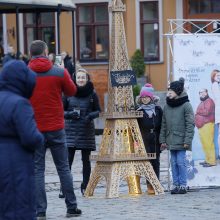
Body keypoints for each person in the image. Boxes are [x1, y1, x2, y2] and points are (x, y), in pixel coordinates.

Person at [28, 40, 82, 219]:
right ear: (45, 51)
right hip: (56, 127)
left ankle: (40, 210)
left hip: (34, 127)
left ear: (31, 54)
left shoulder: (25, 73)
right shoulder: (59, 72)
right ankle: (71, 207)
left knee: (37, 170)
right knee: (63, 168)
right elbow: (72, 91)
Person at [0, 60, 44, 219]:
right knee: (19, 207)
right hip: (16, 163)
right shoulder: (20, 103)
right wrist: (40, 138)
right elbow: (31, 137)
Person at [62, 63, 101, 196]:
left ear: (87, 78)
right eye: (78, 77)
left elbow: (98, 111)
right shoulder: (68, 93)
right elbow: (61, 111)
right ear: (74, 78)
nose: (81, 80)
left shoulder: (92, 94)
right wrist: (69, 114)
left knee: (86, 162)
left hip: (86, 131)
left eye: (83, 77)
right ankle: (65, 188)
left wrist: (89, 116)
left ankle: (86, 186)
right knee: (68, 162)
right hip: (71, 131)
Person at [160, 79, 195, 194]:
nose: (168, 93)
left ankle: (183, 185)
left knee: (181, 162)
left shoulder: (186, 105)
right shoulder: (167, 106)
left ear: (178, 92)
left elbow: (190, 124)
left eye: (171, 91)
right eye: (168, 90)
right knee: (173, 163)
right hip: (171, 140)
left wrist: (187, 141)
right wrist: (163, 140)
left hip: (182, 140)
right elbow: (163, 124)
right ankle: (176, 185)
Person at [137, 83, 163, 195]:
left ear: (151, 97)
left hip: (156, 138)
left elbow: (162, 125)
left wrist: (162, 140)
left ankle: (156, 183)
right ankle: (149, 185)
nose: (145, 99)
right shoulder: (139, 111)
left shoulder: (158, 110)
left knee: (156, 161)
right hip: (144, 139)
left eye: (147, 97)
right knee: (147, 163)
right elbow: (136, 127)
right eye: (143, 97)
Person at [195, 89, 216, 167]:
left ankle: (212, 161)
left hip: (207, 124)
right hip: (203, 125)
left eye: (203, 92)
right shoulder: (203, 101)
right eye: (200, 93)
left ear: (207, 93)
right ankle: (207, 160)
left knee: (208, 143)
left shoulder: (209, 101)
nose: (201, 94)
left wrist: (197, 112)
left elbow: (206, 112)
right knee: (205, 144)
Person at [211, 69, 220, 159]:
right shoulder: (215, 85)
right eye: (217, 75)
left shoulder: (216, 85)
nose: (219, 77)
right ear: (213, 76)